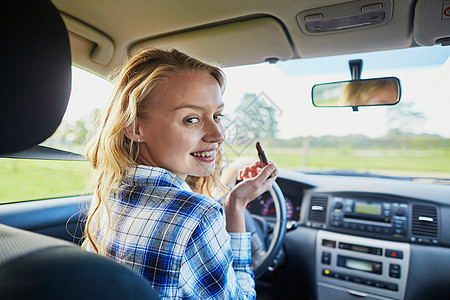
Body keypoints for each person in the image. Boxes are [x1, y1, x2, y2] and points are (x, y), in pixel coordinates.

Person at [82, 48, 278, 299]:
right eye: (192, 119)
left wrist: (235, 198)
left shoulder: (109, 194)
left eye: (217, 115)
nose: (218, 135)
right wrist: (236, 207)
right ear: (134, 127)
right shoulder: (198, 215)